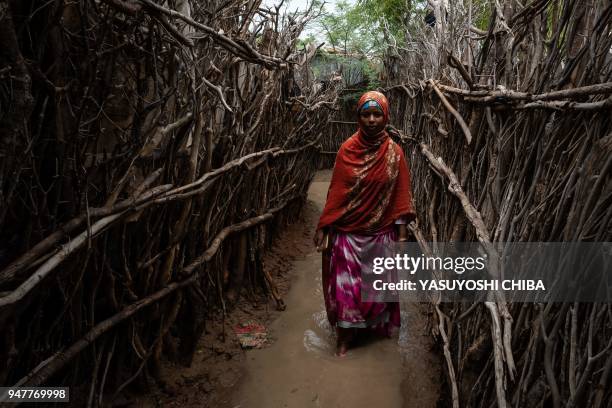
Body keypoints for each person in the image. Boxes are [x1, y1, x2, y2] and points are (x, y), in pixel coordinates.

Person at [313, 90, 416, 357]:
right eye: (365, 114)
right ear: (358, 117)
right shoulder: (347, 150)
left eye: (376, 114)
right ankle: (344, 338)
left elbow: (401, 197)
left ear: (385, 117)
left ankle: (371, 329)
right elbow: (335, 194)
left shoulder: (394, 154)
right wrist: (325, 226)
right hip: (348, 236)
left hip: (381, 235)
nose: (371, 119)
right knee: (347, 291)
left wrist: (402, 237)